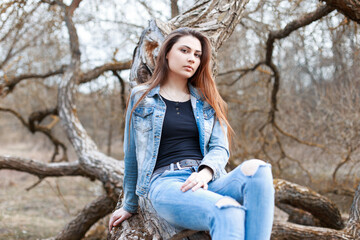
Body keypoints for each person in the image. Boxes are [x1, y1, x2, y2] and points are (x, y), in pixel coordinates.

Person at [108, 27, 274, 240]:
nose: (192, 59)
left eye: (197, 55)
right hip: (167, 184)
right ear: (166, 53)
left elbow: (220, 147)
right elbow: (131, 154)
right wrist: (129, 205)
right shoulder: (142, 97)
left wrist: (205, 172)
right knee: (227, 209)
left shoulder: (207, 100)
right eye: (184, 51)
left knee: (259, 170)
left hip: (207, 180)